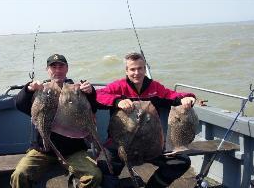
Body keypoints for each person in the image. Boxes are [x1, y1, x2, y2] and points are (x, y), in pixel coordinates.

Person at [96, 52, 196, 188]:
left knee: (181, 162)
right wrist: (117, 100)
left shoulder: (154, 87)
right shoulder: (118, 87)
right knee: (104, 166)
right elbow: (99, 95)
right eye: (132, 69)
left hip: (151, 144)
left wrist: (186, 97)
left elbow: (171, 95)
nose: (136, 72)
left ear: (145, 69)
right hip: (120, 144)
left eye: (140, 68)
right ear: (126, 71)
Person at [10, 54, 102, 188]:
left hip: (73, 150)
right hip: (43, 150)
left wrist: (90, 92)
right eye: (53, 67)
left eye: (61, 66)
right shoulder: (41, 89)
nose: (57, 70)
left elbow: (92, 108)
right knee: (19, 175)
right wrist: (28, 89)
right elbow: (20, 105)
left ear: (67, 68)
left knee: (94, 176)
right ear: (47, 69)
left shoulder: (77, 89)